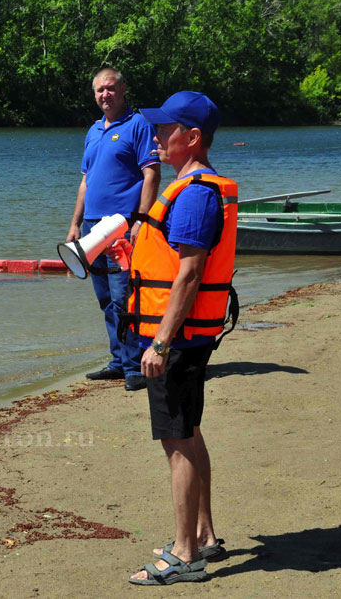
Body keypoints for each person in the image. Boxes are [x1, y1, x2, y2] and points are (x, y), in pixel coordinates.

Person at [122, 91, 239, 585]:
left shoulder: (194, 193)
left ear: (192, 138)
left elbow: (190, 276)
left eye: (165, 129)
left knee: (177, 441)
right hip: (191, 336)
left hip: (179, 339)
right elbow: (174, 264)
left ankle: (185, 554)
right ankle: (204, 536)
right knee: (189, 430)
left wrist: (160, 343)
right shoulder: (194, 189)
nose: (156, 137)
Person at [66, 67, 161, 391]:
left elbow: (151, 174)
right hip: (92, 226)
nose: (104, 95)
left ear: (122, 90)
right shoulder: (93, 131)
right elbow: (85, 182)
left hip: (122, 226)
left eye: (109, 89)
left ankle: (136, 366)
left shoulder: (139, 125)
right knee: (105, 298)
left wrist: (141, 221)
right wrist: (75, 224)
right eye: (98, 91)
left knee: (126, 298)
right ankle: (118, 361)